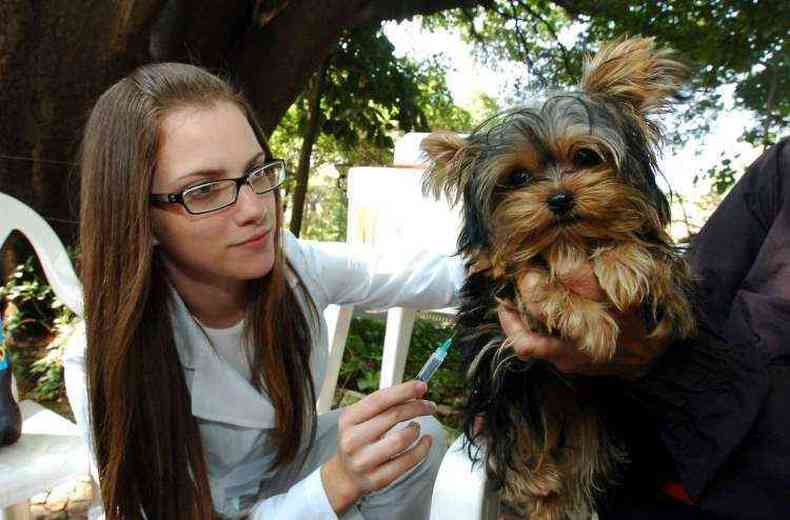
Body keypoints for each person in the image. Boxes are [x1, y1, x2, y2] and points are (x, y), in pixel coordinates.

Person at [63, 62, 465, 520]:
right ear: (141, 218)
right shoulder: (102, 354)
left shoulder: (293, 268)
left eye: (257, 172)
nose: (256, 209)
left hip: (283, 479)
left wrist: (531, 276)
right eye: (205, 189)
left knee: (411, 433)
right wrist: (336, 483)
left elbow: (421, 274)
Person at [498, 137, 790, 519]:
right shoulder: (781, 168)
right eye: (521, 177)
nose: (559, 190)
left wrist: (654, 359)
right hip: (635, 468)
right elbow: (695, 293)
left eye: (586, 160)